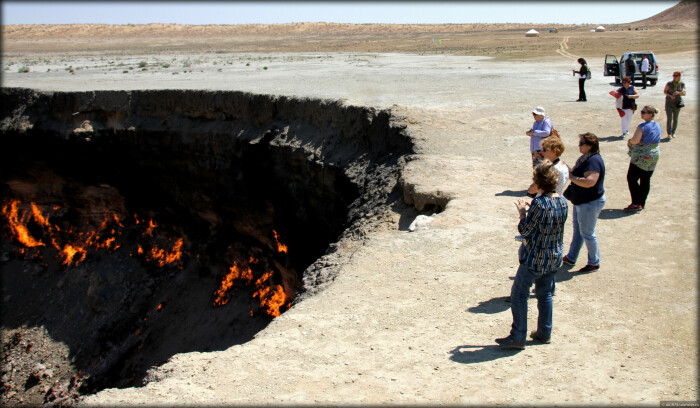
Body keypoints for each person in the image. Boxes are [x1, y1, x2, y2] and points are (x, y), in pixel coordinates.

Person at [496, 161, 568, 350]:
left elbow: (525, 231)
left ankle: (518, 336)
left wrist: (522, 213)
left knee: (519, 294)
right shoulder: (562, 201)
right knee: (545, 295)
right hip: (554, 256)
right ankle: (544, 332)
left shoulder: (539, 204)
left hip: (535, 257)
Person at [562, 133, 605, 273]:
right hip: (582, 201)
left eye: (581, 143)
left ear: (590, 145)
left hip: (589, 202)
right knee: (579, 232)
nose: (579, 146)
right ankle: (571, 257)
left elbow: (590, 182)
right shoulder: (586, 158)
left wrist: (572, 177)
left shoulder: (593, 161)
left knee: (587, 233)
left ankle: (594, 262)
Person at [624, 106, 662, 212]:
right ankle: (642, 203)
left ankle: (636, 202)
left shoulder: (642, 127)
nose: (641, 113)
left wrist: (630, 142)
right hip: (654, 155)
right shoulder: (657, 125)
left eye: (643, 112)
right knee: (645, 180)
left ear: (650, 114)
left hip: (641, 156)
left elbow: (635, 140)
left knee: (631, 178)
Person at [664, 71, 687, 139]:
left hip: (677, 102)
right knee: (669, 118)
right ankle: (669, 133)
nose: (674, 77)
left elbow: (684, 93)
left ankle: (673, 132)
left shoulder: (682, 84)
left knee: (675, 118)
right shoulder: (669, 83)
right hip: (669, 102)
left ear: (679, 76)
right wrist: (670, 95)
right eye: (673, 75)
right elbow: (665, 91)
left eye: (676, 75)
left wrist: (680, 93)